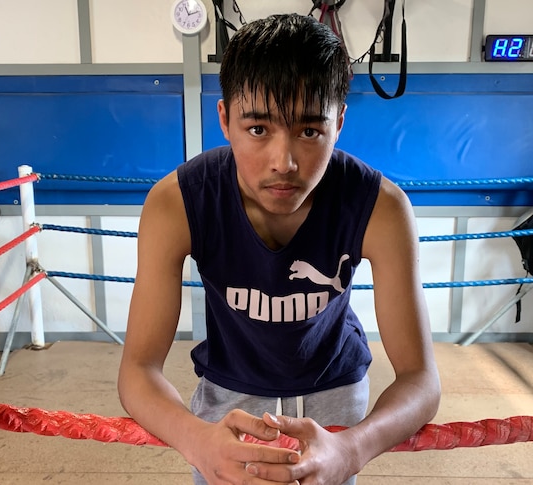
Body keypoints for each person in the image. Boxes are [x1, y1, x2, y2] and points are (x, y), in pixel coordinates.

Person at [118, 12, 440, 485]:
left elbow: (421, 380)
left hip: (336, 399)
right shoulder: (178, 203)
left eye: (309, 131)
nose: (284, 162)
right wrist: (196, 439)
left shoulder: (380, 207)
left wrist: (352, 447)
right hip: (226, 401)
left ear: (339, 122)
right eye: (258, 129)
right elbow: (137, 370)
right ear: (225, 120)